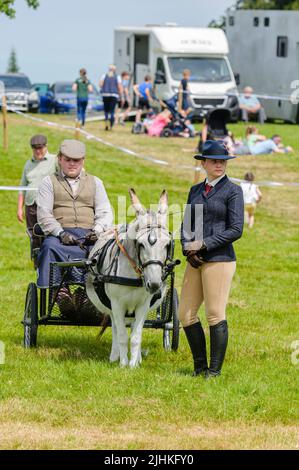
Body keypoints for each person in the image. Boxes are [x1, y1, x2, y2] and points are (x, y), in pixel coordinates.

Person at [179, 140, 244, 378]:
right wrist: (188, 249)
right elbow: (187, 224)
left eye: (223, 161)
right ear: (203, 163)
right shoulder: (195, 190)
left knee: (215, 313)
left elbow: (236, 229)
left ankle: (214, 371)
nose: (219, 165)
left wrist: (204, 244)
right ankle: (199, 368)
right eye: (215, 161)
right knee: (185, 313)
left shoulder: (233, 190)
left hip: (220, 259)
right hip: (196, 260)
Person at [36, 139, 113, 288]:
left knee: (108, 250)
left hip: (90, 236)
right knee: (49, 247)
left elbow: (105, 212)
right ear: (59, 159)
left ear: (83, 161)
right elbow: (44, 215)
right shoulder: (48, 182)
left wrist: (97, 231)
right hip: (60, 237)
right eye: (68, 160)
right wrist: (60, 233)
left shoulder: (96, 182)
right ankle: (60, 294)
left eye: (76, 160)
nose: (72, 163)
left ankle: (100, 296)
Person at [17, 134, 56, 235]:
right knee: (33, 235)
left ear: (46, 146)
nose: (38, 151)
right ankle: (35, 251)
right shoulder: (28, 164)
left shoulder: (55, 160)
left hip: (48, 205)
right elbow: (22, 188)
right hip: (30, 206)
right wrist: (19, 209)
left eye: (40, 148)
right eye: (35, 149)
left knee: (48, 234)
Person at [99, 65, 123, 131]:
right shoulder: (117, 77)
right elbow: (119, 86)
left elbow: (100, 85)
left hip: (105, 94)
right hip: (114, 95)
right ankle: (111, 125)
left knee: (106, 110)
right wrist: (121, 95)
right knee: (112, 111)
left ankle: (106, 121)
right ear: (114, 70)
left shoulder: (104, 76)